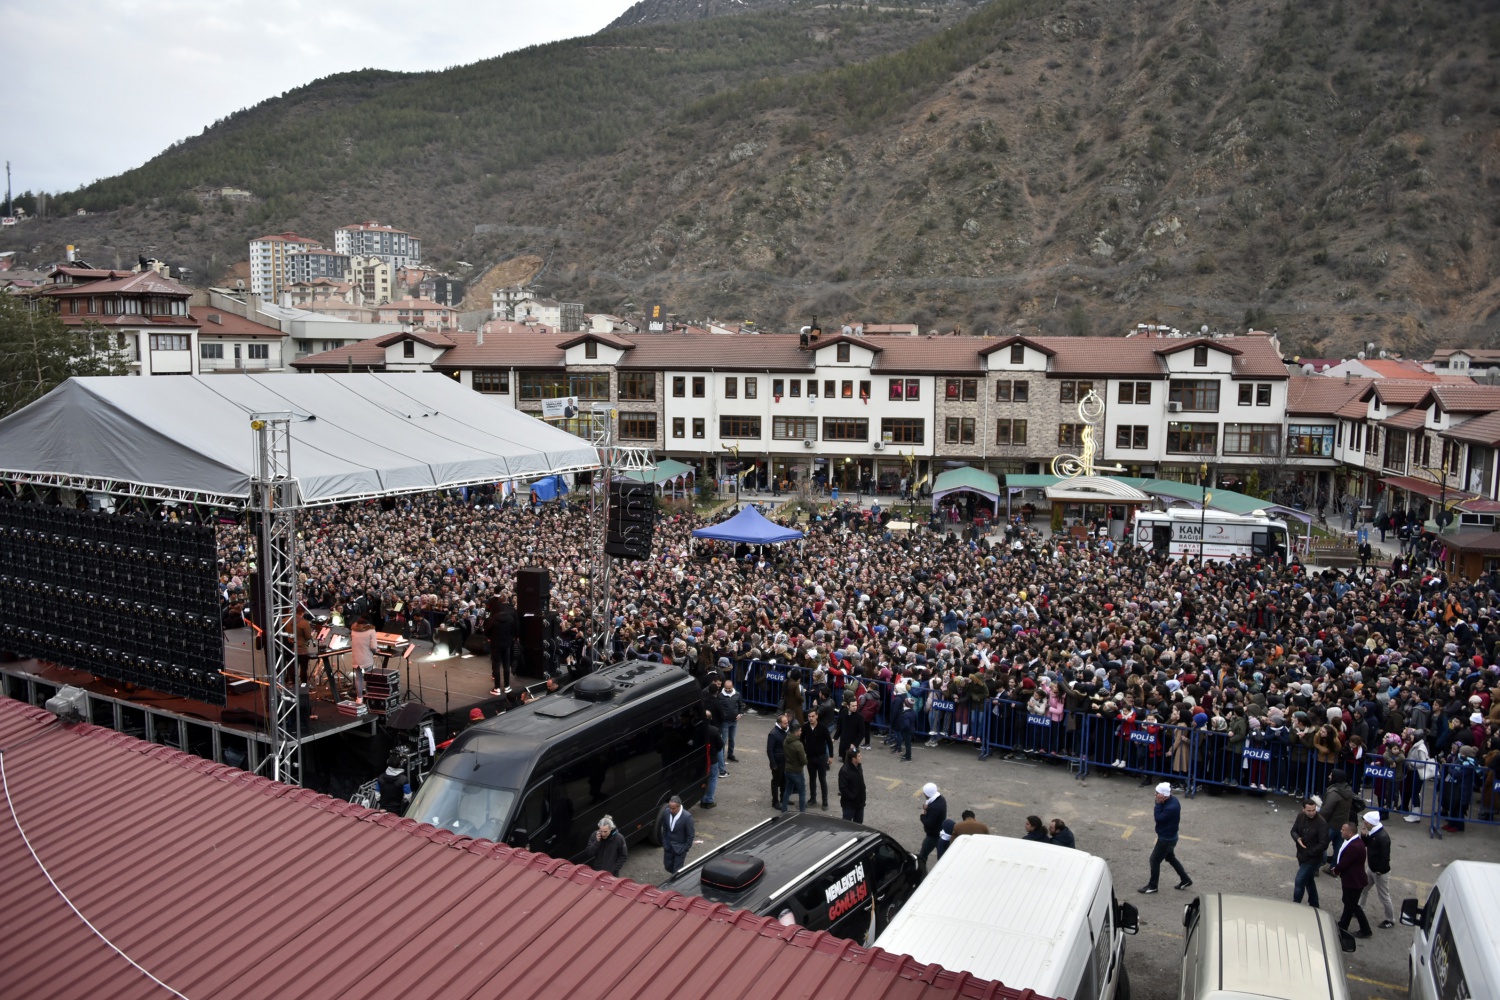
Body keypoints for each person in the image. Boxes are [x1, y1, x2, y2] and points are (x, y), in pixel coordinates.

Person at [1139, 782, 1192, 893]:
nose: (1155, 794)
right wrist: (1159, 802)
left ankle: (1153, 886)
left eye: (1157, 793)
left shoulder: (1170, 808)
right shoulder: (1173, 800)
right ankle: (1185, 879)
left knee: (1154, 860)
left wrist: (1158, 803)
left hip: (1166, 840)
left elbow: (1158, 818)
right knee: (1170, 858)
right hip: (1171, 837)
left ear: (1162, 795)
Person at [1332, 820, 1373, 938]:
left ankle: (1365, 929)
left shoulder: (1354, 846)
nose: (1341, 831)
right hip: (1353, 880)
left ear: (1350, 833)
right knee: (1348, 903)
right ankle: (1343, 924)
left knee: (1353, 905)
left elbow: (1345, 863)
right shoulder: (1354, 842)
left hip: (1353, 881)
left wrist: (1335, 870)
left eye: (1343, 830)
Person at [1359, 810, 1395, 928]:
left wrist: (1380, 870)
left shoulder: (1382, 837)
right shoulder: (1374, 833)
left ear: (1371, 823)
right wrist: (1364, 836)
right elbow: (1367, 844)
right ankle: (1360, 908)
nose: (1364, 825)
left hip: (1379, 872)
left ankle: (1390, 919)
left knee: (1384, 896)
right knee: (1363, 888)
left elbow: (1385, 856)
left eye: (1366, 823)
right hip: (1372, 868)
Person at [1291, 798, 1329, 909]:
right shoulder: (1300, 817)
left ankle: (1295, 905)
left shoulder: (1321, 822)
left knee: (1300, 880)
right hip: (1301, 855)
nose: (1312, 812)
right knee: (1309, 880)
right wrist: (1297, 839)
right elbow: (1293, 831)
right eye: (1309, 810)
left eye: (1314, 810)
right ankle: (1314, 904)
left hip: (1313, 858)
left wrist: (1309, 852)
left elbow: (1324, 844)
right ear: (1303, 809)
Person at [1320, 769, 1355, 872]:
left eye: (1331, 775)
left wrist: (1319, 821)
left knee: (1321, 845)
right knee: (1338, 848)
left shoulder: (1334, 793)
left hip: (1331, 824)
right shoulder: (1348, 790)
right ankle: (1334, 868)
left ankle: (1317, 866)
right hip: (1342, 824)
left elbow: (1327, 810)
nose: (1329, 776)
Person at [484, 596, 517, 696]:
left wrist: (490, 637)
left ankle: (497, 688)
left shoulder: (492, 619)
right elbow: (513, 631)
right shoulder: (510, 618)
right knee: (506, 665)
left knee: (496, 665)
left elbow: (486, 632)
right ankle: (507, 686)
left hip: (495, 644)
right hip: (506, 644)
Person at [803, 709, 833, 809]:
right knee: (812, 779)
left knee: (822, 779)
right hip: (810, 757)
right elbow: (801, 740)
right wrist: (805, 749)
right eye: (809, 716)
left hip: (821, 757)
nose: (810, 718)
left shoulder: (823, 728)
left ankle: (825, 802)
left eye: (812, 716)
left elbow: (829, 742)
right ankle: (813, 799)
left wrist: (831, 756)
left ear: (817, 716)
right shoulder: (806, 727)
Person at [658, 796, 695, 874]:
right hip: (668, 847)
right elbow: (665, 829)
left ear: (679, 807)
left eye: (673, 808)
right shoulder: (666, 812)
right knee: (667, 867)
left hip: (680, 849)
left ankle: (674, 883)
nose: (671, 810)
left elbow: (690, 835)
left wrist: (685, 848)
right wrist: (665, 842)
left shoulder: (687, 817)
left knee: (676, 871)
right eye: (670, 808)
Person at [917, 782, 947, 869]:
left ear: (927, 794)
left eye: (924, 793)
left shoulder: (934, 808)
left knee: (922, 855)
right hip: (940, 832)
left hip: (933, 836)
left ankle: (921, 871)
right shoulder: (941, 799)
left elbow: (929, 823)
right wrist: (927, 808)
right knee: (942, 856)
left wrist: (922, 815)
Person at [698, 710, 724, 809]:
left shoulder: (697, 730)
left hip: (701, 760)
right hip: (712, 759)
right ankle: (709, 800)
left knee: (703, 779)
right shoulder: (714, 730)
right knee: (713, 779)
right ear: (710, 719)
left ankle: (702, 798)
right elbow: (720, 744)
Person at [781, 719, 808, 813]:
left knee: (787, 790)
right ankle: (802, 812)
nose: (801, 732)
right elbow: (804, 761)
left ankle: (784, 809)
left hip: (788, 770)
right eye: (800, 731)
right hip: (797, 772)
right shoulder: (798, 745)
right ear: (796, 732)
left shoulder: (785, 741)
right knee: (802, 793)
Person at [718, 673, 745, 762]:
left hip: (734, 721)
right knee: (724, 740)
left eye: (729, 688)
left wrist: (740, 714)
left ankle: (730, 754)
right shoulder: (720, 695)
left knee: (732, 739)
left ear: (732, 686)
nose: (728, 690)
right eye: (726, 688)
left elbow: (741, 705)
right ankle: (721, 757)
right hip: (725, 722)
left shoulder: (737, 694)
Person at [348, 615, 375, 703]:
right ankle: (370, 696)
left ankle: (359, 698)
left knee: (358, 678)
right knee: (369, 678)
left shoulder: (353, 630)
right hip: (367, 657)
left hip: (356, 657)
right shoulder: (371, 631)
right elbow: (373, 646)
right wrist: (375, 652)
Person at [838, 747, 867, 823]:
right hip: (849, 805)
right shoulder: (844, 771)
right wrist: (853, 796)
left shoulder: (858, 766)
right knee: (846, 826)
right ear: (853, 759)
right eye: (859, 756)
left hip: (860, 803)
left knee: (859, 826)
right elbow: (843, 788)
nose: (861, 757)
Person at [767, 713, 788, 809]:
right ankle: (775, 801)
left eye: (787, 723)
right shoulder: (773, 734)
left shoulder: (785, 731)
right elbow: (770, 750)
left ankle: (783, 798)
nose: (786, 725)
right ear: (779, 724)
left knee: (784, 780)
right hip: (777, 762)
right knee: (776, 782)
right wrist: (773, 763)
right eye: (785, 723)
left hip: (785, 761)